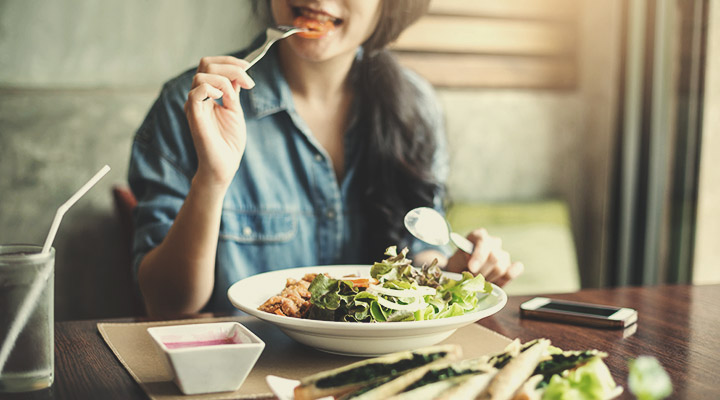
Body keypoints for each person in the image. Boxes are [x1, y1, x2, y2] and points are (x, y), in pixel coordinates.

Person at [128, 0, 524, 317]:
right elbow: (166, 304)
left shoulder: (415, 107)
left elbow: (417, 254)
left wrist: (456, 270)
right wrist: (211, 181)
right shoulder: (196, 104)